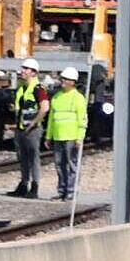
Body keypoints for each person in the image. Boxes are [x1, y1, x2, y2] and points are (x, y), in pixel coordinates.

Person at [8, 58, 48, 199]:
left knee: (33, 158)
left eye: (26, 69)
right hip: (21, 129)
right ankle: (24, 184)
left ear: (34, 72)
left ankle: (34, 187)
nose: (23, 71)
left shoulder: (38, 89)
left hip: (32, 130)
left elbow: (44, 107)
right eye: (23, 68)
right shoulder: (22, 88)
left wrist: (34, 123)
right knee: (23, 157)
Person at [46, 66, 87, 201]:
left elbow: (82, 119)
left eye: (66, 79)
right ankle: (62, 190)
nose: (63, 81)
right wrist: (48, 136)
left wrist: (79, 137)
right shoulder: (57, 97)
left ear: (73, 82)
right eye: (62, 78)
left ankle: (71, 191)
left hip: (72, 137)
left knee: (72, 164)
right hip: (58, 136)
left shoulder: (78, 98)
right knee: (59, 164)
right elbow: (52, 118)